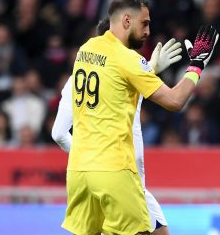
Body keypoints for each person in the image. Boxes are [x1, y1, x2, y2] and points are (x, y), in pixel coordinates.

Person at [58, 0, 218, 234]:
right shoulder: (130, 60)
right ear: (126, 20)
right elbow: (175, 101)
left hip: (79, 170)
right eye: (144, 24)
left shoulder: (86, 50)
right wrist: (197, 65)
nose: (148, 31)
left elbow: (114, 85)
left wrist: (148, 70)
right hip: (114, 169)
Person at [52, 16, 181, 234]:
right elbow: (173, 101)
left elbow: (129, 90)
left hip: (123, 178)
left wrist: (150, 69)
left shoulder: (99, 74)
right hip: (118, 177)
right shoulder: (118, 68)